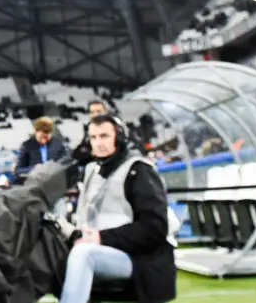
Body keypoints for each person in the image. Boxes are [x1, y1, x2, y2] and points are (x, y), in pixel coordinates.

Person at [60, 114, 176, 303]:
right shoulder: (91, 170)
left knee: (83, 254)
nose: (98, 143)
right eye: (94, 137)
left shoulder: (140, 170)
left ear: (119, 138)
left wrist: (101, 237)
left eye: (104, 136)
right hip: (103, 250)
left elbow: (155, 227)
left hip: (140, 259)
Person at [71, 100, 109, 166]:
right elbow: (84, 144)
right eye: (92, 112)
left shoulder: (111, 126)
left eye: (98, 111)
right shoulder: (90, 127)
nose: (95, 114)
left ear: (105, 112)